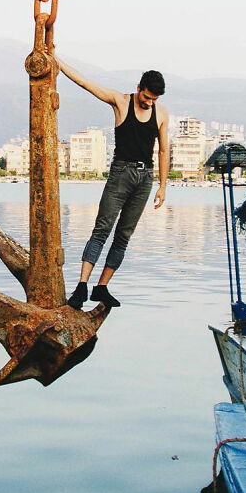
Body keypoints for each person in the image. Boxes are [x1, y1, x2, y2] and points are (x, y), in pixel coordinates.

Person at [56, 60, 169, 309]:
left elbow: (163, 150)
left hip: (145, 178)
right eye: (147, 97)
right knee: (102, 229)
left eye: (154, 99)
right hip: (121, 173)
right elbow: (85, 83)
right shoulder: (120, 101)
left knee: (124, 235)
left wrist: (162, 186)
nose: (149, 102)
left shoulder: (161, 113)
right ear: (139, 87)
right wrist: (57, 61)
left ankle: (102, 287)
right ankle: (81, 287)